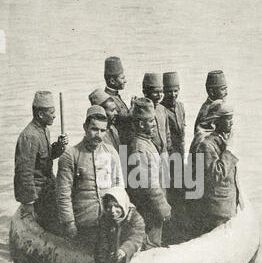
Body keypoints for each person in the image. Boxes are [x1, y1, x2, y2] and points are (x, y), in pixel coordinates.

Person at [56, 105, 124, 240]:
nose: (99, 135)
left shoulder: (111, 153)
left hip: (108, 220)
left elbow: (119, 187)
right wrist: (69, 223)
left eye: (102, 130)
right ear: (85, 128)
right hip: (83, 223)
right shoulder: (70, 156)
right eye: (94, 129)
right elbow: (63, 194)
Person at [14, 91, 68, 232]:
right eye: (51, 112)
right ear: (40, 115)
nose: (55, 115)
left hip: (48, 186)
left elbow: (45, 158)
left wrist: (59, 146)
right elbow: (23, 173)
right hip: (38, 193)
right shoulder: (29, 136)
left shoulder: (44, 130)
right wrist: (28, 202)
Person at [189, 101, 243, 236]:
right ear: (216, 122)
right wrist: (229, 151)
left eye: (231, 118)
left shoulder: (223, 140)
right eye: (227, 119)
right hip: (217, 209)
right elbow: (215, 175)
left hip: (226, 204)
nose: (231, 122)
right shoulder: (206, 145)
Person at [127, 98, 171, 249]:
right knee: (151, 244)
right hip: (149, 209)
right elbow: (149, 185)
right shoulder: (140, 147)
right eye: (151, 121)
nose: (154, 124)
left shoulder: (145, 142)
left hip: (151, 208)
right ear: (141, 124)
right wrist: (163, 207)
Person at [95, 187, 145, 263]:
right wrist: (102, 261)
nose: (112, 210)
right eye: (109, 207)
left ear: (123, 204)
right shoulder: (105, 219)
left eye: (117, 206)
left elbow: (136, 238)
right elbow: (103, 241)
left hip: (131, 251)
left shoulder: (135, 218)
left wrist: (124, 250)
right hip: (113, 253)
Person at [142, 73, 172, 155]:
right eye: (155, 92)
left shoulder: (162, 109)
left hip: (164, 155)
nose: (159, 96)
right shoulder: (140, 111)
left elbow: (167, 133)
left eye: (161, 92)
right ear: (145, 92)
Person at [193, 70, 228, 137]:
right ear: (211, 91)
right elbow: (201, 136)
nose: (226, 93)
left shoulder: (218, 106)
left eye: (226, 89)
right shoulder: (207, 110)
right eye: (223, 89)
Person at [161, 72, 186, 158]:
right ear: (163, 91)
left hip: (180, 151)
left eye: (175, 91)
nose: (172, 95)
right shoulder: (161, 109)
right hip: (168, 154)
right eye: (169, 91)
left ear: (179, 89)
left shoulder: (180, 106)